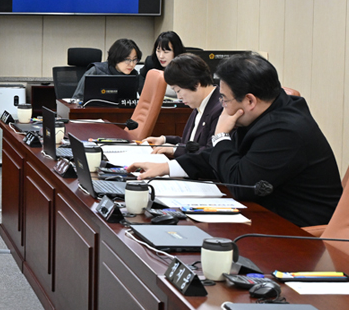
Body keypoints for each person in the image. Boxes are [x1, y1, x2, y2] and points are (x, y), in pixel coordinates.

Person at [136, 52, 341, 228]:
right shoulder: (262, 112)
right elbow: (218, 156)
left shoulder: (286, 130)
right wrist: (168, 168)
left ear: (250, 100)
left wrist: (220, 136)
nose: (222, 105)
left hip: (297, 231)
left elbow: (241, 184)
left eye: (224, 99)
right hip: (265, 214)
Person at [129, 54, 222, 171]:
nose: (179, 97)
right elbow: (191, 143)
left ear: (196, 84)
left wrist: (174, 150)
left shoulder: (220, 109)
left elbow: (210, 153)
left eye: (178, 91)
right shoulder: (200, 102)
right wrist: (164, 140)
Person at [71, 38, 141, 101]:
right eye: (127, 59)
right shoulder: (96, 71)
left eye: (135, 60)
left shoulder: (133, 75)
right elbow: (77, 99)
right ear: (116, 58)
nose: (132, 64)